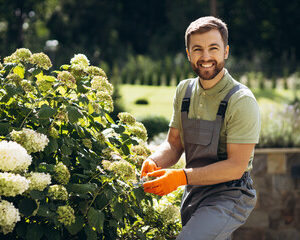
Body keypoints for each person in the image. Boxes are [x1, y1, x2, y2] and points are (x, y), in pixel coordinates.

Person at [141, 16, 261, 240]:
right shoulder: (184, 91)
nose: (206, 57)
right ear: (188, 54)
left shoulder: (241, 100)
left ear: (226, 51)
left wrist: (179, 177)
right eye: (197, 49)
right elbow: (173, 144)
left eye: (213, 48)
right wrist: (154, 161)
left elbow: (236, 166)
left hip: (231, 194)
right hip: (194, 191)